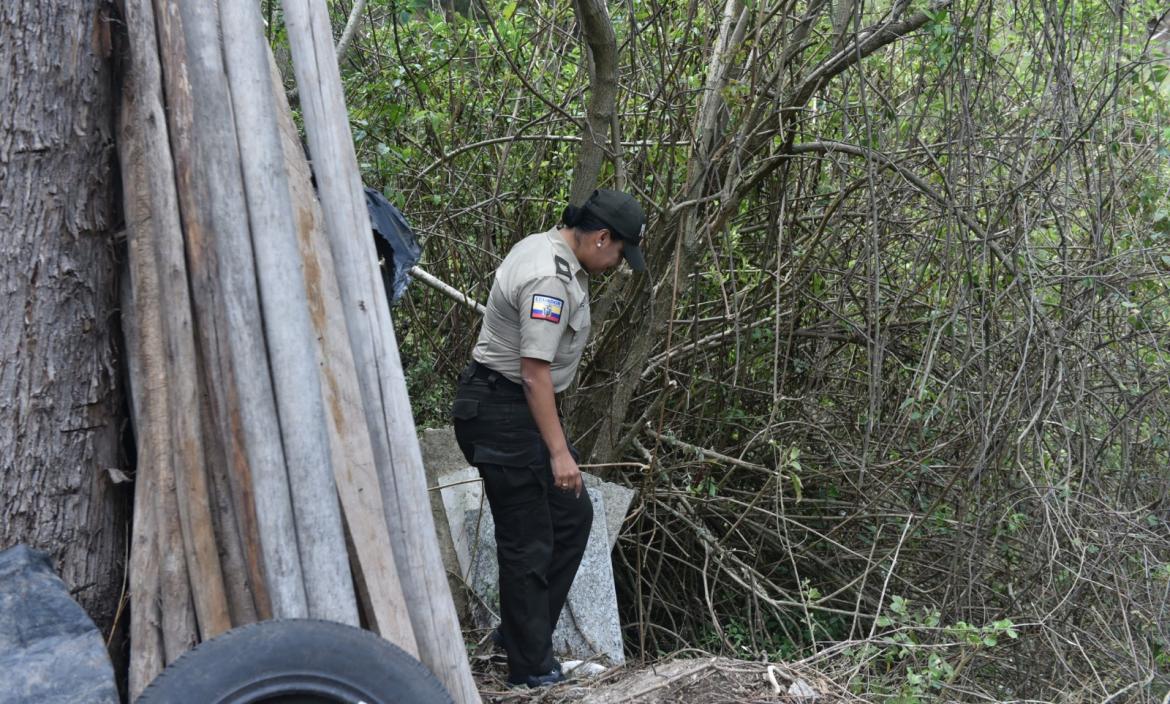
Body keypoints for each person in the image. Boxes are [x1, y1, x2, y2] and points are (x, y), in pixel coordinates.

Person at [452, 189, 647, 688]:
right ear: (603, 237)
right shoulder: (549, 277)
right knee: (528, 541)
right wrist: (560, 454)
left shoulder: (548, 248)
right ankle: (531, 669)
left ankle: (521, 632)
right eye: (620, 253)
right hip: (503, 409)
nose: (617, 264)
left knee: (571, 514)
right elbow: (534, 372)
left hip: (513, 408)